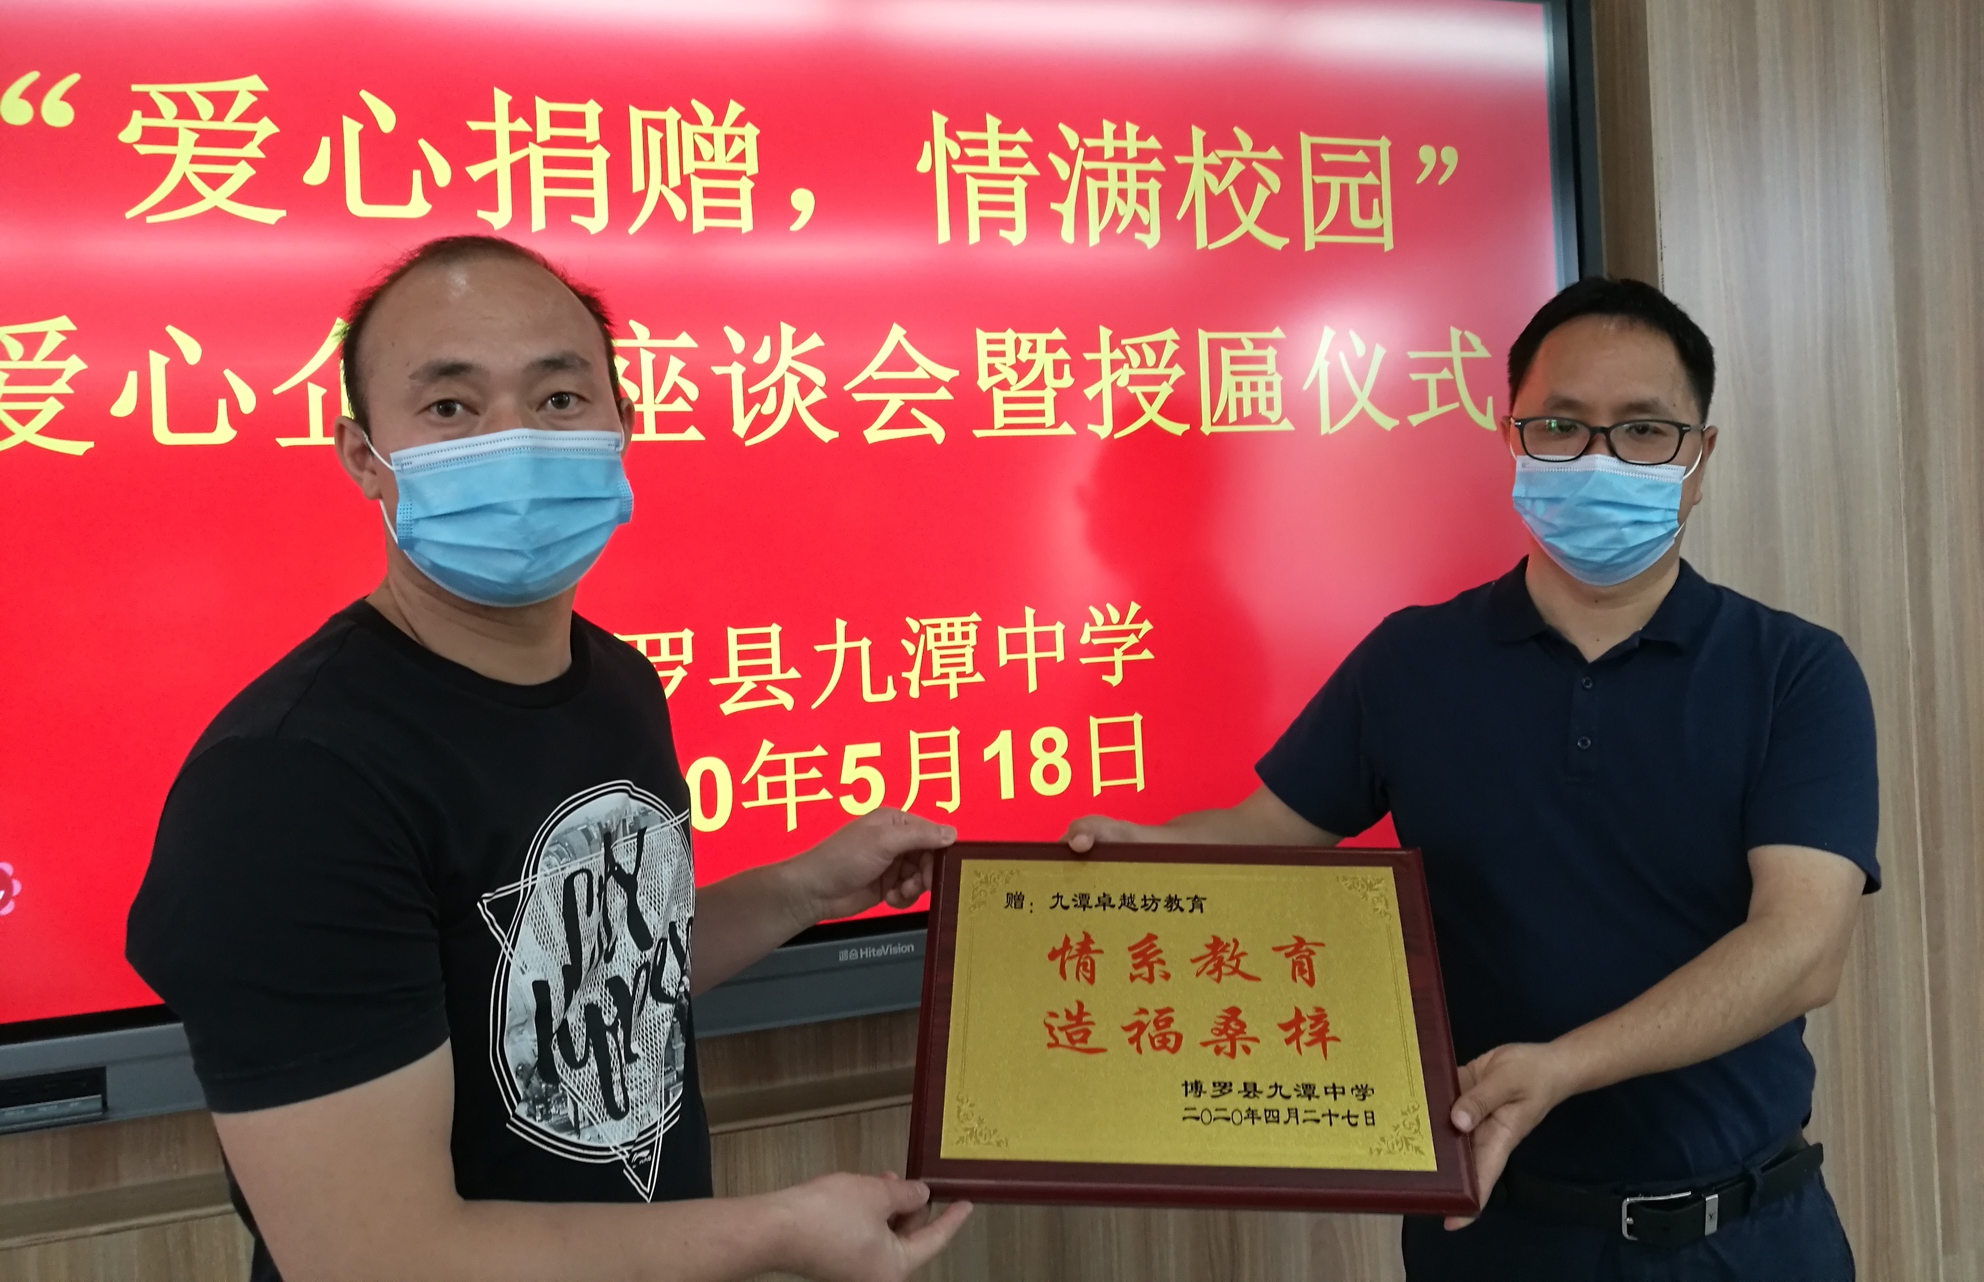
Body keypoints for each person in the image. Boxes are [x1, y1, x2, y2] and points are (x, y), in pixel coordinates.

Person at [127, 235, 971, 1282]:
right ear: (362, 456)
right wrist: (778, 1231)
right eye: (450, 407)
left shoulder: (615, 680)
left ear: (623, 426)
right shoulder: (288, 784)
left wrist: (806, 889)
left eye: (559, 399)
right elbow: (374, 1259)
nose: (514, 440)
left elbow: (597, 982)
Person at [1067, 277, 1877, 1281]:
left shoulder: (1795, 671)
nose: (1598, 459)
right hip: (1494, 1233)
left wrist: (1564, 1068)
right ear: (1511, 441)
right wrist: (1139, 854)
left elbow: (1802, 950)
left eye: (1642, 431)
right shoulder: (1412, 661)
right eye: (1561, 427)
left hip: (1744, 1237)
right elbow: (1266, 832)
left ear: (1699, 459)